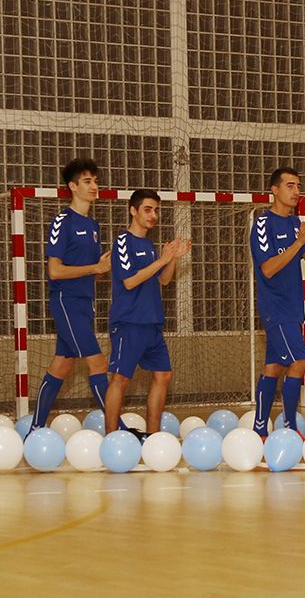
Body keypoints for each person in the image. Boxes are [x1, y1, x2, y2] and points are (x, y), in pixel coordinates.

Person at [30, 158, 112, 435]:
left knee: (61, 366)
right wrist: (95, 268)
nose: (94, 186)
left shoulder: (93, 226)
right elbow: (55, 271)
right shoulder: (62, 221)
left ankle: (35, 428)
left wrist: (103, 269)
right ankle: (117, 429)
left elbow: (90, 273)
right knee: (98, 363)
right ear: (73, 186)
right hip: (66, 303)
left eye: (96, 181)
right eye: (87, 181)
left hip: (85, 304)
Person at [104, 190, 190, 438]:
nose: (154, 215)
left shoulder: (150, 246)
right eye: (148, 209)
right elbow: (129, 281)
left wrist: (172, 259)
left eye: (156, 210)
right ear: (133, 211)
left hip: (152, 323)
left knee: (163, 375)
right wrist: (162, 260)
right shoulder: (123, 241)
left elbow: (163, 280)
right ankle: (112, 437)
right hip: (129, 322)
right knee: (121, 379)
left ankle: (153, 436)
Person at [250, 166, 305, 439]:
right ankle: (290, 427)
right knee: (299, 362)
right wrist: (298, 243)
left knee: (273, 366)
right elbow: (268, 268)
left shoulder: (297, 223)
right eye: (290, 186)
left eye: (298, 186)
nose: (296, 191)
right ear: (275, 190)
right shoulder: (263, 223)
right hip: (275, 308)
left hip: (293, 308)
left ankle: (260, 428)